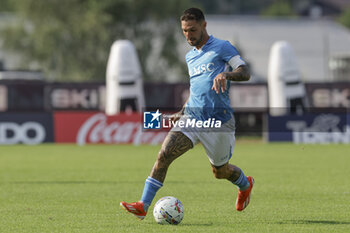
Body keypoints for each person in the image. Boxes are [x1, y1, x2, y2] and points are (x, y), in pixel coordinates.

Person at [120, 7, 254, 220]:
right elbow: (197, 89)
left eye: (192, 30)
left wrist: (225, 74)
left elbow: (245, 72)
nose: (188, 35)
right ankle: (143, 205)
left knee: (220, 172)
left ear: (204, 25)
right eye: (184, 31)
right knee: (164, 155)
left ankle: (245, 185)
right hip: (192, 118)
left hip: (219, 124)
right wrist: (181, 112)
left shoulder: (222, 47)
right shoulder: (190, 57)